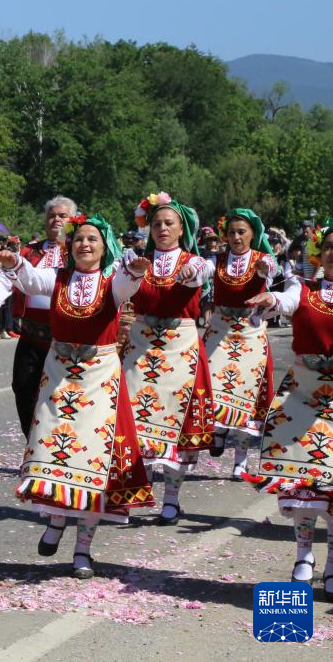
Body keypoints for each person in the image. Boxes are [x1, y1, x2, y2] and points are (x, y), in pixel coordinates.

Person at [0, 213, 153, 577]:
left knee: (92, 461)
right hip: (59, 375)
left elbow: (128, 286)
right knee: (51, 447)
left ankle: (83, 548)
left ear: (104, 247)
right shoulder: (58, 278)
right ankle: (55, 520)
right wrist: (15, 263)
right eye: (79, 239)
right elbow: (32, 279)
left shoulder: (112, 282)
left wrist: (137, 270)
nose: (84, 244)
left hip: (99, 379)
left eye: (92, 240)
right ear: (70, 246)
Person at [245, 223, 333, 598]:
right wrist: (271, 301)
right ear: (319, 253)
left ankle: (332, 565)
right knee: (301, 479)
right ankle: (303, 555)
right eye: (329, 247)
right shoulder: (303, 285)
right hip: (304, 390)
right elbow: (287, 301)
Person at [125, 192, 215, 525]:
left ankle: (172, 499)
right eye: (157, 223)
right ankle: (138, 490)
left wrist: (191, 272)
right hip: (141, 346)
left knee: (176, 423)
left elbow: (197, 275)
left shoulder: (195, 261)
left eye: (169, 223)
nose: (162, 228)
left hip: (180, 348)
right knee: (138, 418)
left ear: (181, 229)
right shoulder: (136, 260)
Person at [0, 196, 77, 437]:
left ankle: (59, 448)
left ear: (73, 220)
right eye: (51, 215)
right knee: (23, 389)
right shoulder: (29, 252)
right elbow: (6, 278)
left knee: (63, 395)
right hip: (31, 336)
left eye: (62, 216)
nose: (56, 219)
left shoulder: (80, 252)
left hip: (66, 339)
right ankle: (32, 445)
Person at [204, 209, 276, 479]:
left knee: (246, 398)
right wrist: (191, 270)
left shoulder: (262, 259)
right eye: (232, 232)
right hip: (220, 331)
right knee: (213, 386)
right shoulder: (218, 260)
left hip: (249, 335)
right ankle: (219, 430)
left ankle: (241, 461)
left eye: (241, 232)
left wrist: (265, 270)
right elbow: (204, 269)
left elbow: (272, 270)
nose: (236, 237)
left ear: (252, 234)